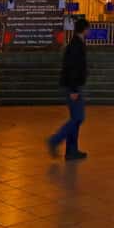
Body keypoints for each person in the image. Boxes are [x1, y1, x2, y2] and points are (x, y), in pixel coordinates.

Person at [47, 17, 89, 161]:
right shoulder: (76, 45)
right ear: (85, 29)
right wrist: (73, 90)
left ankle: (72, 151)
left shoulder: (77, 44)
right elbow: (72, 68)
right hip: (73, 86)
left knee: (75, 119)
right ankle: (55, 140)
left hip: (74, 85)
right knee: (78, 118)